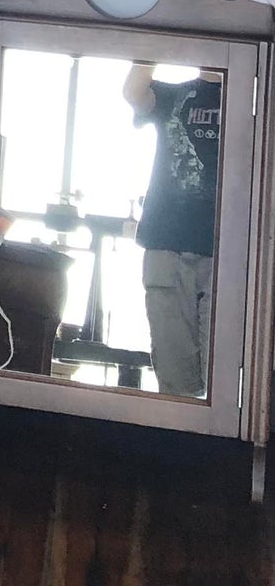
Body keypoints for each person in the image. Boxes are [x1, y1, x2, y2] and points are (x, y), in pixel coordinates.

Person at [124, 62, 223, 397]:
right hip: (168, 245)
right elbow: (133, 91)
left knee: (225, 383)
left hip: (230, 253)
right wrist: (168, 35)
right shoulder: (173, 93)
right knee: (175, 378)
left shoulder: (253, 99)